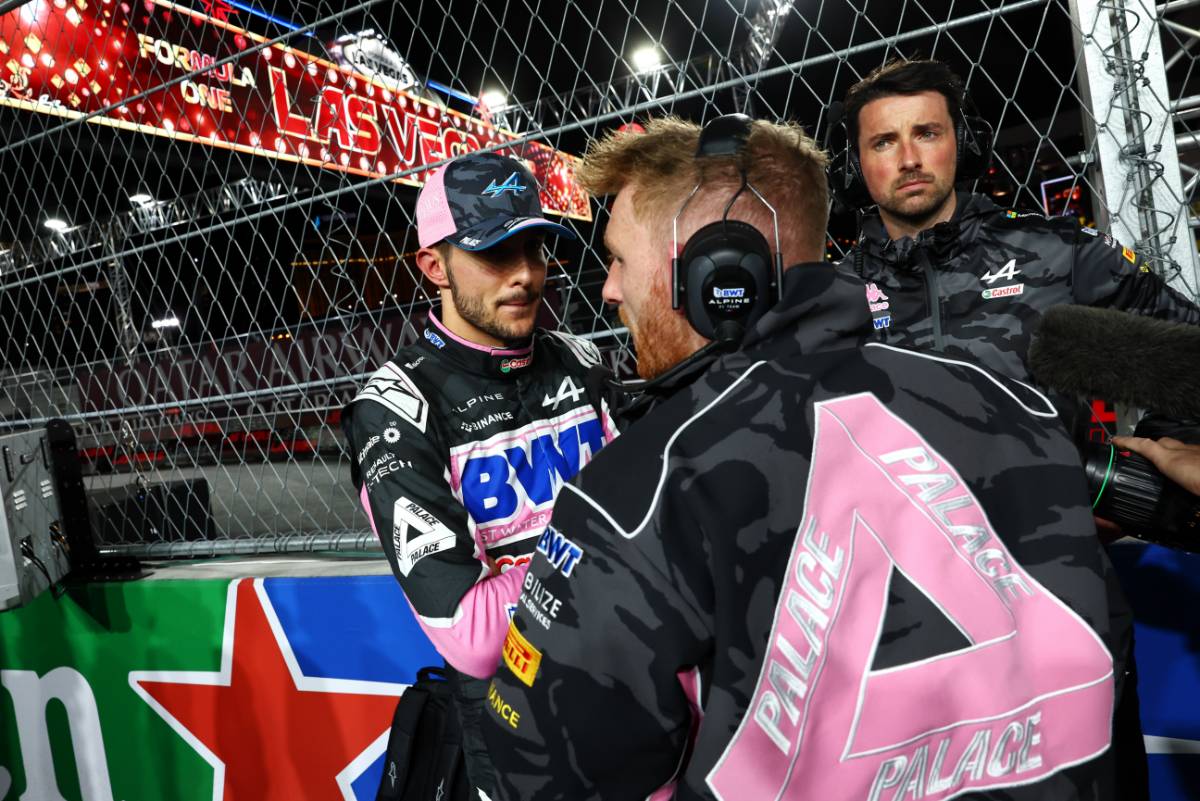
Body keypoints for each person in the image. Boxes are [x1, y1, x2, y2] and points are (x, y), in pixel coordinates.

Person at [480, 117, 1133, 800]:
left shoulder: (639, 493)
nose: (609, 289)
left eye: (619, 258)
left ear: (717, 272)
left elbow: (545, 773)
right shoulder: (1005, 401)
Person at [341, 152, 617, 795]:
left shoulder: (582, 360)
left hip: (627, 682)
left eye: (537, 248)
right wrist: (613, 559)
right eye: (496, 253)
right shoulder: (395, 407)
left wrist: (533, 575)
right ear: (434, 266)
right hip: (513, 717)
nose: (525, 275)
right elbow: (471, 634)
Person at [835, 58, 1200, 382]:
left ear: (964, 144)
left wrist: (1165, 448)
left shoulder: (1059, 250)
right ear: (855, 166)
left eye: (927, 134)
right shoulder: (833, 292)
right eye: (884, 142)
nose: (909, 159)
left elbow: (1189, 351)